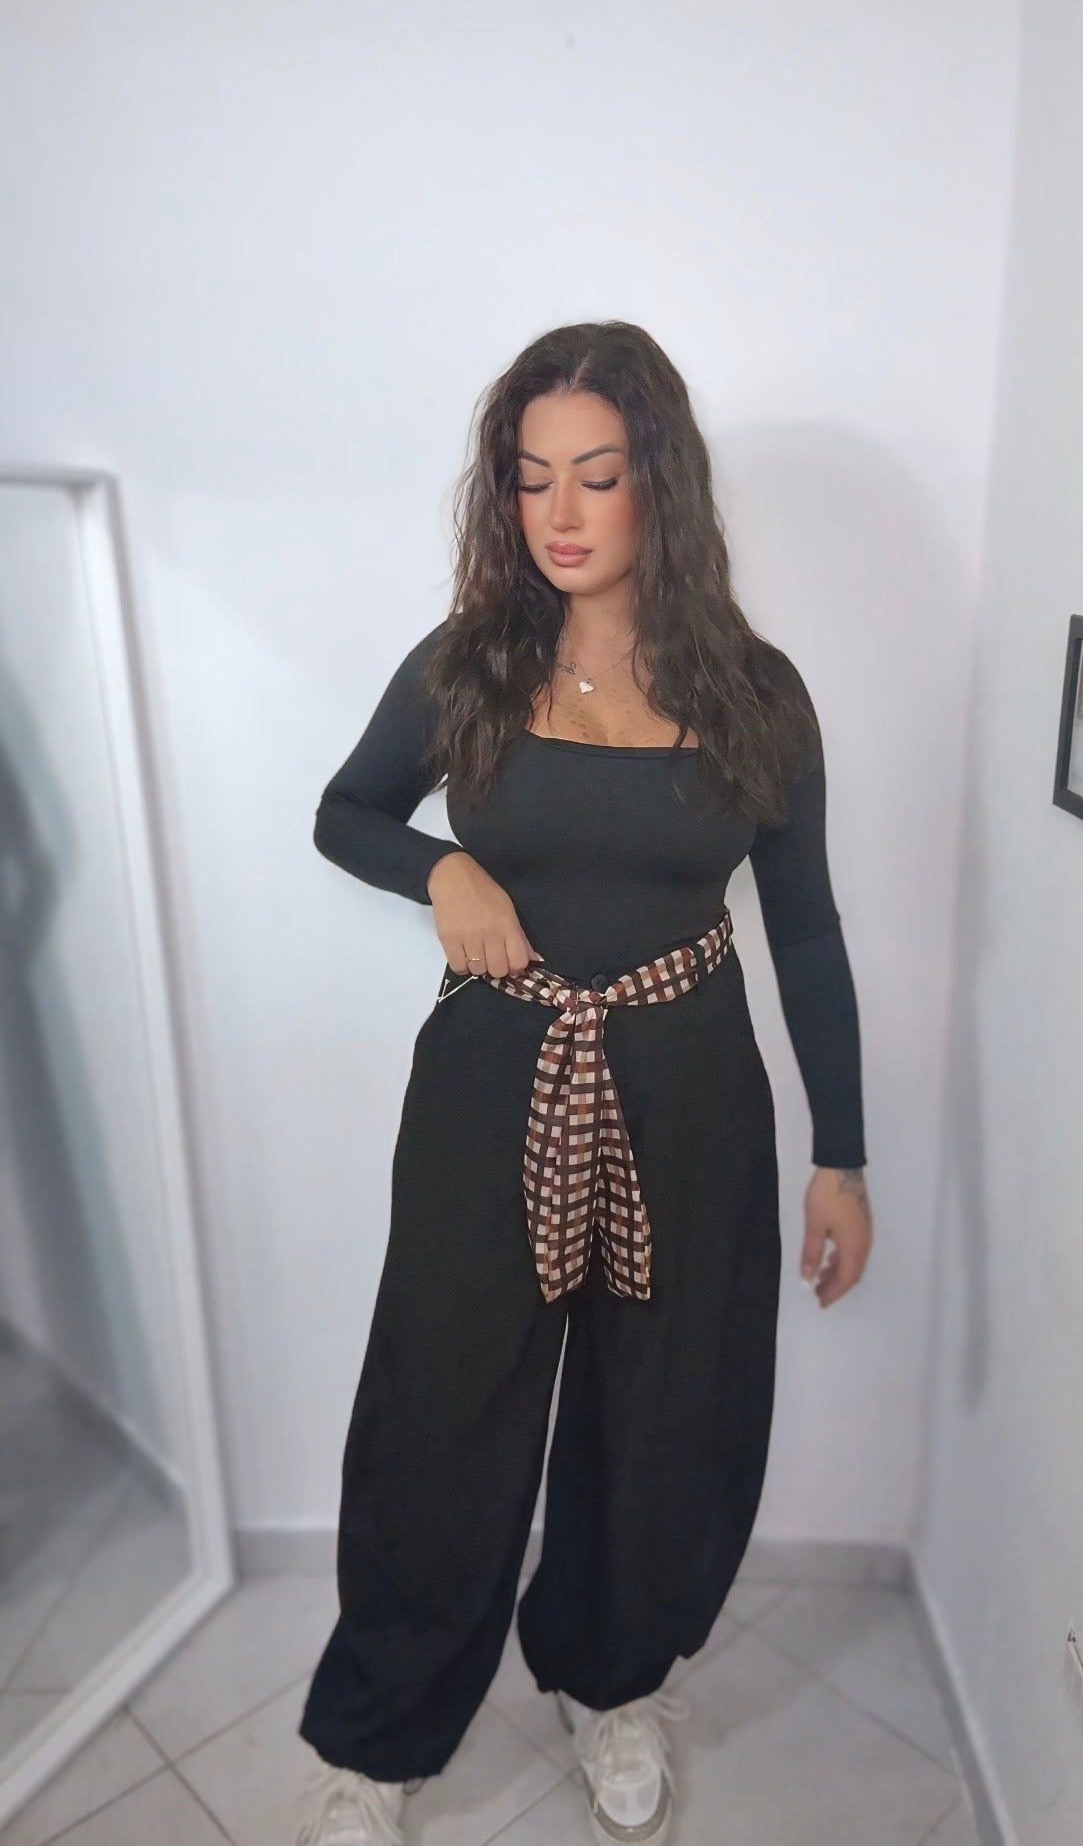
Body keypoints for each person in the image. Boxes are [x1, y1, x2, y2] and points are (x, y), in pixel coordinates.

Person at [292, 320, 872, 1846]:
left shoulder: (755, 690)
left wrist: (844, 1153)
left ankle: (613, 1683)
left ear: (658, 485)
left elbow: (806, 928)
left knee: (668, 1412)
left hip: (692, 1092)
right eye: (531, 475)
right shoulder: (467, 665)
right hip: (493, 1083)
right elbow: (346, 812)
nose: (559, 512)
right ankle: (380, 1744)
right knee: (440, 1412)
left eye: (597, 476)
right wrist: (443, 869)